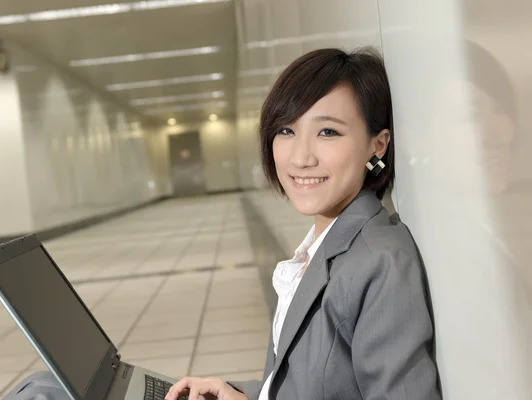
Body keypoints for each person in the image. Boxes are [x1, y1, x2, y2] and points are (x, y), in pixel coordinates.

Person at [165, 48, 442, 400]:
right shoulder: (325, 245)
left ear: (377, 145)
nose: (301, 157)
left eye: (327, 132)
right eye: (286, 130)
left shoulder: (379, 262)